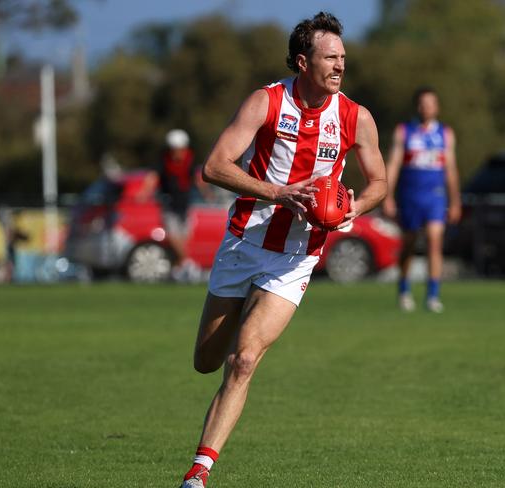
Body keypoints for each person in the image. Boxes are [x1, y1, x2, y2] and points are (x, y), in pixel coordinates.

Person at [178, 12, 387, 488]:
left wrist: (353, 205)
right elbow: (214, 166)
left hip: (296, 259)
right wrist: (279, 192)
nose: (339, 66)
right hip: (244, 241)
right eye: (329, 58)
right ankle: (234, 331)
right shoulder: (266, 101)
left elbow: (379, 183)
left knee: (245, 359)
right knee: (207, 360)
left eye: (343, 58)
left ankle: (198, 473)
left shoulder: (356, 116)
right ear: (302, 61)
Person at [382, 86, 461, 313]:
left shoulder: (445, 134)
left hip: (435, 196)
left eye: (431, 103)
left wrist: (455, 201)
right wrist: (387, 196)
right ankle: (404, 289)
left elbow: (451, 168)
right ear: (418, 106)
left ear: (437, 107)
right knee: (408, 244)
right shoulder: (404, 131)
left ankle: (433, 295)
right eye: (423, 103)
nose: (427, 108)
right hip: (410, 196)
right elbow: (394, 165)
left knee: (435, 241)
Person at [154, 129, 214, 272]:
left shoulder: (190, 160)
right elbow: (154, 178)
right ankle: (187, 263)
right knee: (173, 235)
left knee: (184, 236)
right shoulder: (164, 161)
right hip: (169, 203)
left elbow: (198, 179)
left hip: (186, 204)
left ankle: (179, 266)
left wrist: (207, 194)